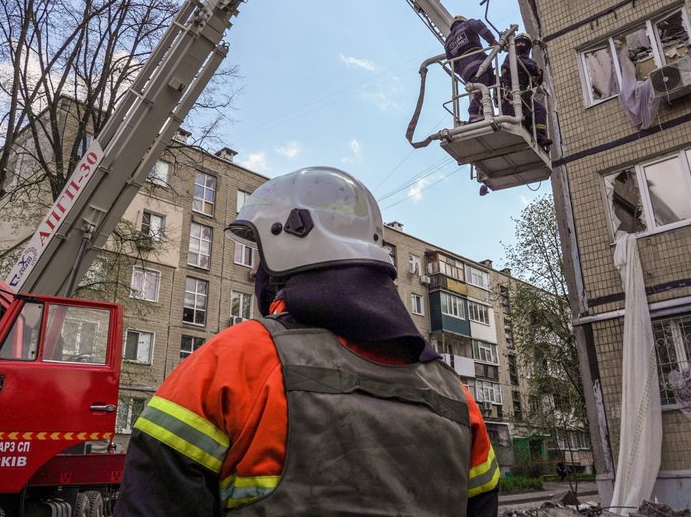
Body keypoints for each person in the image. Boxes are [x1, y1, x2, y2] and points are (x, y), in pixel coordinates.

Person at [114, 166, 499, 517]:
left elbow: (152, 500)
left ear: (288, 244)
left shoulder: (238, 359)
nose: (252, 271)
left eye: (258, 253)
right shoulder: (455, 395)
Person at [500, 33, 551, 151]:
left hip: (523, 93)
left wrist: (539, 73)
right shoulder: (510, 56)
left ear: (528, 46)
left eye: (524, 43)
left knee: (539, 110)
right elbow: (517, 67)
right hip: (509, 94)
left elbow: (536, 81)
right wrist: (534, 69)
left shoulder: (530, 61)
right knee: (519, 114)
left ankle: (539, 136)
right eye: (518, 42)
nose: (521, 44)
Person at [445, 15, 498, 122]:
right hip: (479, 63)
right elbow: (477, 25)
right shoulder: (466, 24)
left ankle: (490, 107)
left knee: (494, 82)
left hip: (466, 71)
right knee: (482, 92)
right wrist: (492, 40)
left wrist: (465, 74)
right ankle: (475, 115)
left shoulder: (447, 42)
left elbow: (453, 65)